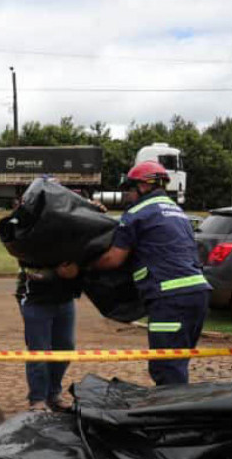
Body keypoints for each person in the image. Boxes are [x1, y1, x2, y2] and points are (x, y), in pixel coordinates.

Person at [89, 161, 211, 386]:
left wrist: (85, 266)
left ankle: (174, 417)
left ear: (143, 186)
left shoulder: (136, 213)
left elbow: (114, 259)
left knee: (166, 368)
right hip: (198, 295)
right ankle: (178, 410)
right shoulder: (178, 213)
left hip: (170, 299)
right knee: (177, 362)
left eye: (129, 189)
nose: (126, 195)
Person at [15, 262, 80, 412]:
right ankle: (37, 399)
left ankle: (53, 394)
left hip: (65, 300)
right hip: (35, 300)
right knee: (39, 351)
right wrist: (55, 271)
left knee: (66, 348)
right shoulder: (32, 241)